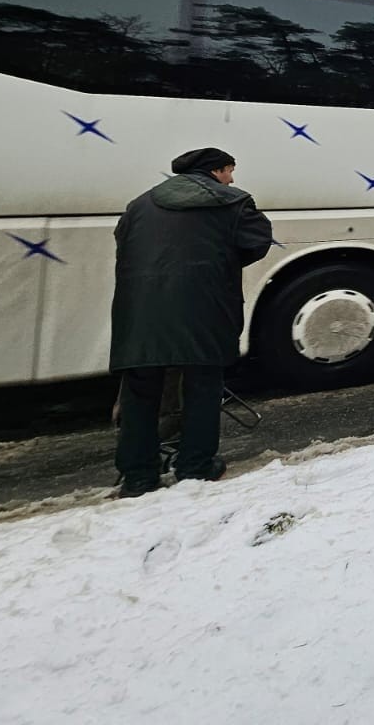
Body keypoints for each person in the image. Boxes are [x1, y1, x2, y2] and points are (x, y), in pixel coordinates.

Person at [110, 147, 274, 498]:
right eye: (230, 170)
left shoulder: (141, 203)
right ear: (215, 172)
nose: (232, 178)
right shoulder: (233, 201)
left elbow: (123, 242)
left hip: (140, 309)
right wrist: (219, 261)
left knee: (140, 392)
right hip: (204, 305)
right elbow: (257, 242)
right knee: (202, 387)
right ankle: (195, 466)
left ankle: (139, 476)